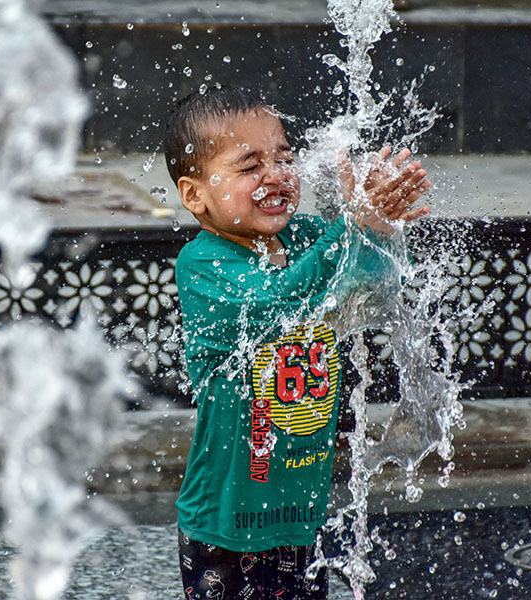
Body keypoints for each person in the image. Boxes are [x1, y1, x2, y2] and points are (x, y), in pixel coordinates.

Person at [165, 85, 432, 600]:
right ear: (195, 194)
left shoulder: (308, 237)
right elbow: (274, 304)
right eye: (249, 166)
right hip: (226, 528)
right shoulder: (204, 264)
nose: (274, 174)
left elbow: (376, 290)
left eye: (284, 159)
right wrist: (349, 230)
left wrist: (376, 230)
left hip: (300, 513)